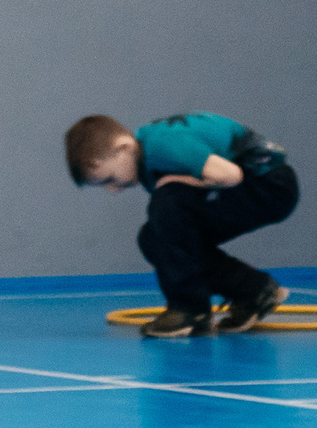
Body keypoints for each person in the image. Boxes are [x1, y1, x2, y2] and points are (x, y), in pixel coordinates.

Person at [67, 112, 296, 337]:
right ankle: (253, 290)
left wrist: (179, 180)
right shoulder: (144, 153)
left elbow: (231, 175)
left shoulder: (160, 145)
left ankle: (190, 310)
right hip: (247, 187)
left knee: (168, 202)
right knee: (154, 239)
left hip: (270, 186)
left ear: (124, 148)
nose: (113, 190)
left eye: (110, 179)